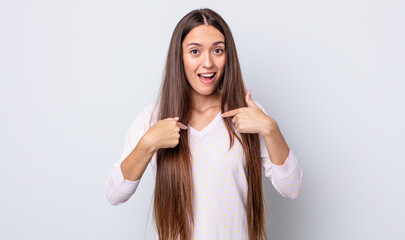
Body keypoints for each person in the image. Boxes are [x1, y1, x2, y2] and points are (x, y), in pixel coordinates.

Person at [105, 8, 303, 240]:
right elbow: (115, 195)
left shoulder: (249, 115)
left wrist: (271, 129)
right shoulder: (153, 118)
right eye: (195, 51)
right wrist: (148, 144)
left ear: (228, 56)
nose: (207, 62)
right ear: (179, 56)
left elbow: (292, 188)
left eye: (217, 50)